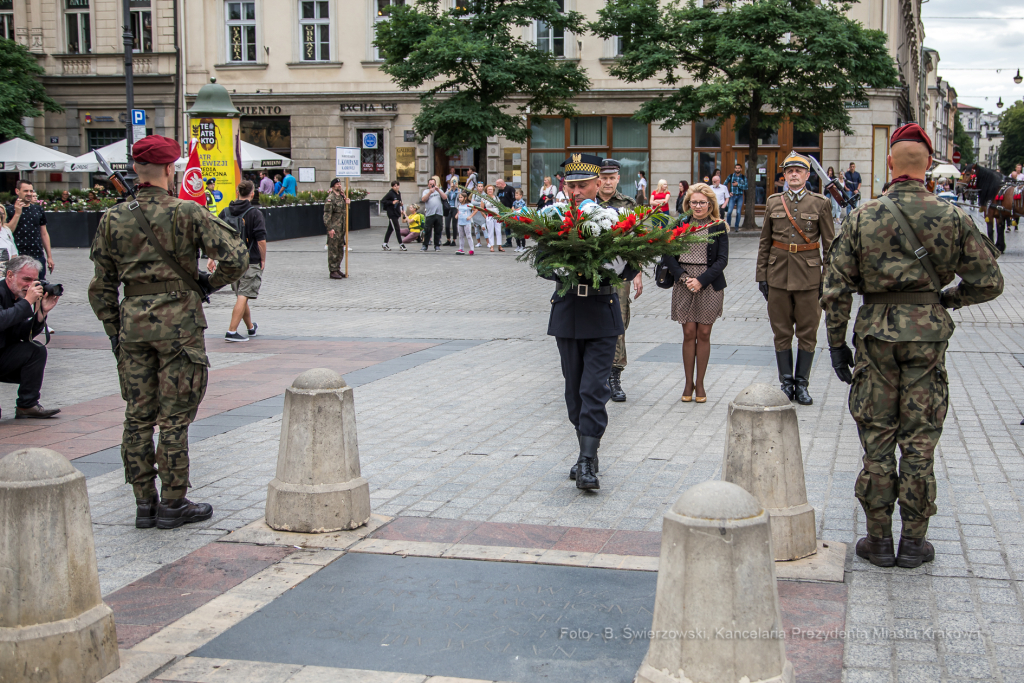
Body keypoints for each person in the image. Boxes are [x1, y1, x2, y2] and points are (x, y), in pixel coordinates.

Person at [822, 123, 1003, 569]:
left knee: (877, 438)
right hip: (927, 335)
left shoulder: (864, 216)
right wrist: (946, 300)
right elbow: (989, 282)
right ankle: (914, 543)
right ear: (928, 168)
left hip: (875, 334)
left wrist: (836, 344)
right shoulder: (953, 216)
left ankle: (878, 540)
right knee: (919, 440)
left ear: (889, 164)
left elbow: (835, 287)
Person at [88, 134, 249, 530]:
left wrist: (114, 331)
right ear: (168, 168)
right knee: (174, 418)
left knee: (137, 418)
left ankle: (145, 504)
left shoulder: (112, 217)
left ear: (137, 170)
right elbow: (237, 256)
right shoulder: (186, 213)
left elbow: (101, 287)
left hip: (132, 329)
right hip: (179, 328)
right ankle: (174, 503)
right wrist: (206, 286)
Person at [544, 153, 639, 490]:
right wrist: (561, 264)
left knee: (593, 390)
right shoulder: (555, 217)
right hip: (568, 311)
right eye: (571, 185)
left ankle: (586, 464)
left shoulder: (615, 218)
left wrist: (607, 264)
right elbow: (541, 261)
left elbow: (631, 263)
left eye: (582, 185)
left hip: (601, 310)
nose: (576, 191)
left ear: (599, 184)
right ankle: (588, 450)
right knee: (573, 393)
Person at [756, 151, 835, 406]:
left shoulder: (820, 203)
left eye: (798, 171)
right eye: (789, 171)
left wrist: (828, 279)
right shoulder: (773, 202)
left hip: (809, 277)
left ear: (807, 175)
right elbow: (765, 242)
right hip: (777, 274)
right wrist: (761, 276)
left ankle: (802, 384)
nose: (793, 174)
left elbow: (830, 245)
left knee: (807, 332)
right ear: (784, 175)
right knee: (780, 332)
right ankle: (786, 383)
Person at [662, 184, 728, 402]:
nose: (698, 206)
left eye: (702, 202)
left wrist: (701, 281)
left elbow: (722, 260)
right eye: (694, 202)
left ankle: (700, 383)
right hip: (683, 282)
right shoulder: (680, 223)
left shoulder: (718, 226)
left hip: (709, 284)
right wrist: (683, 278)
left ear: (710, 204)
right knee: (689, 333)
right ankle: (688, 382)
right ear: (687, 203)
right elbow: (669, 254)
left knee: (704, 334)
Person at [596, 158, 643, 403]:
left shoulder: (628, 203)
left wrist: (637, 272)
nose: (607, 182)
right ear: (597, 179)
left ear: (618, 179)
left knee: (618, 320)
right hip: (591, 270)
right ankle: (596, 376)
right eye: (603, 178)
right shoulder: (587, 203)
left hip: (620, 271)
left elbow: (635, 241)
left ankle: (615, 376)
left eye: (611, 178)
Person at [0, 255, 61, 419]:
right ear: (10, 275)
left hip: (2, 355)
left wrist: (41, 313)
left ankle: (27, 405)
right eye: (26, 279)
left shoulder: (17, 296)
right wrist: (27, 302)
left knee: (35, 349)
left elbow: (21, 334)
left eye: (35, 280)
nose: (31, 285)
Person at [212, 180, 266, 341]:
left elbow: (215, 236)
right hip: (250, 260)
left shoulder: (226, 211)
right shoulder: (255, 213)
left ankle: (250, 327)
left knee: (241, 296)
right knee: (243, 295)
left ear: (237, 192)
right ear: (252, 194)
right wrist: (263, 259)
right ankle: (232, 331)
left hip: (231, 261)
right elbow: (261, 240)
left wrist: (211, 258)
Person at [6, 180, 54, 277]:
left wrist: (49, 256)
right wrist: (17, 213)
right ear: (17, 191)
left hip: (37, 255)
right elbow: (8, 232)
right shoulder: (9, 210)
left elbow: (44, 233)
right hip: (17, 256)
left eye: (31, 191)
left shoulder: (38, 209)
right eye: (25, 191)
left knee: (39, 285)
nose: (29, 194)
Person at [323, 178, 351, 279]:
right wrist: (330, 228)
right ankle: (332, 270)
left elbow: (345, 211)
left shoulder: (342, 197)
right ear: (333, 186)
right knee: (333, 250)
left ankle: (337, 268)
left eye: (340, 184)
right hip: (334, 229)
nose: (339, 185)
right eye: (337, 184)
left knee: (340, 250)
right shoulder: (331, 199)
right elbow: (327, 216)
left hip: (341, 228)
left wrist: (348, 202)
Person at [420, 175, 446, 252]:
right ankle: (425, 245)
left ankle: (437, 245)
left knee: (438, 230)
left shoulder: (439, 190)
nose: (432, 185)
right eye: (430, 184)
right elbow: (423, 199)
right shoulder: (425, 191)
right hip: (429, 214)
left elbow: (445, 197)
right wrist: (430, 192)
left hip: (439, 213)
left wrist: (438, 190)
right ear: (428, 185)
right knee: (427, 230)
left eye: (433, 183)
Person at [381, 180, 406, 251]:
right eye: (395, 186)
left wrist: (400, 204)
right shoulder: (390, 193)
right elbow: (383, 201)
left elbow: (399, 200)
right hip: (392, 214)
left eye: (397, 185)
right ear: (392, 187)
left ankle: (385, 244)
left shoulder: (398, 193)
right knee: (397, 228)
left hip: (396, 213)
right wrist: (392, 202)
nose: (396, 187)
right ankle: (401, 244)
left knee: (390, 229)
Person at [724, 163, 747, 229]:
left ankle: (736, 227)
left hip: (740, 196)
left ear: (741, 169)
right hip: (732, 196)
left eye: (739, 168)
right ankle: (728, 226)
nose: (737, 169)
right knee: (729, 212)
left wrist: (738, 184)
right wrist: (728, 193)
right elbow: (724, 185)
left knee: (738, 212)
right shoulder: (731, 176)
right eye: (736, 168)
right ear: (734, 169)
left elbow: (746, 187)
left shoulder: (743, 177)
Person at [495, 178, 516, 247]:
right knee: (506, 227)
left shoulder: (510, 189)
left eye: (497, 184)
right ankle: (508, 242)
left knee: (513, 226)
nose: (496, 185)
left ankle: (519, 242)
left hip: (510, 210)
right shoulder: (499, 191)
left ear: (501, 184)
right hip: (502, 211)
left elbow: (514, 199)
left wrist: (513, 208)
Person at [444, 177, 460, 246]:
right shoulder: (448, 190)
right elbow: (444, 196)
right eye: (452, 182)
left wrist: (458, 189)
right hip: (448, 208)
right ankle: (448, 239)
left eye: (454, 182)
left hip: (455, 208)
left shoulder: (458, 190)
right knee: (447, 225)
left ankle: (454, 240)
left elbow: (460, 198)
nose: (453, 184)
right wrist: (450, 189)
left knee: (454, 225)